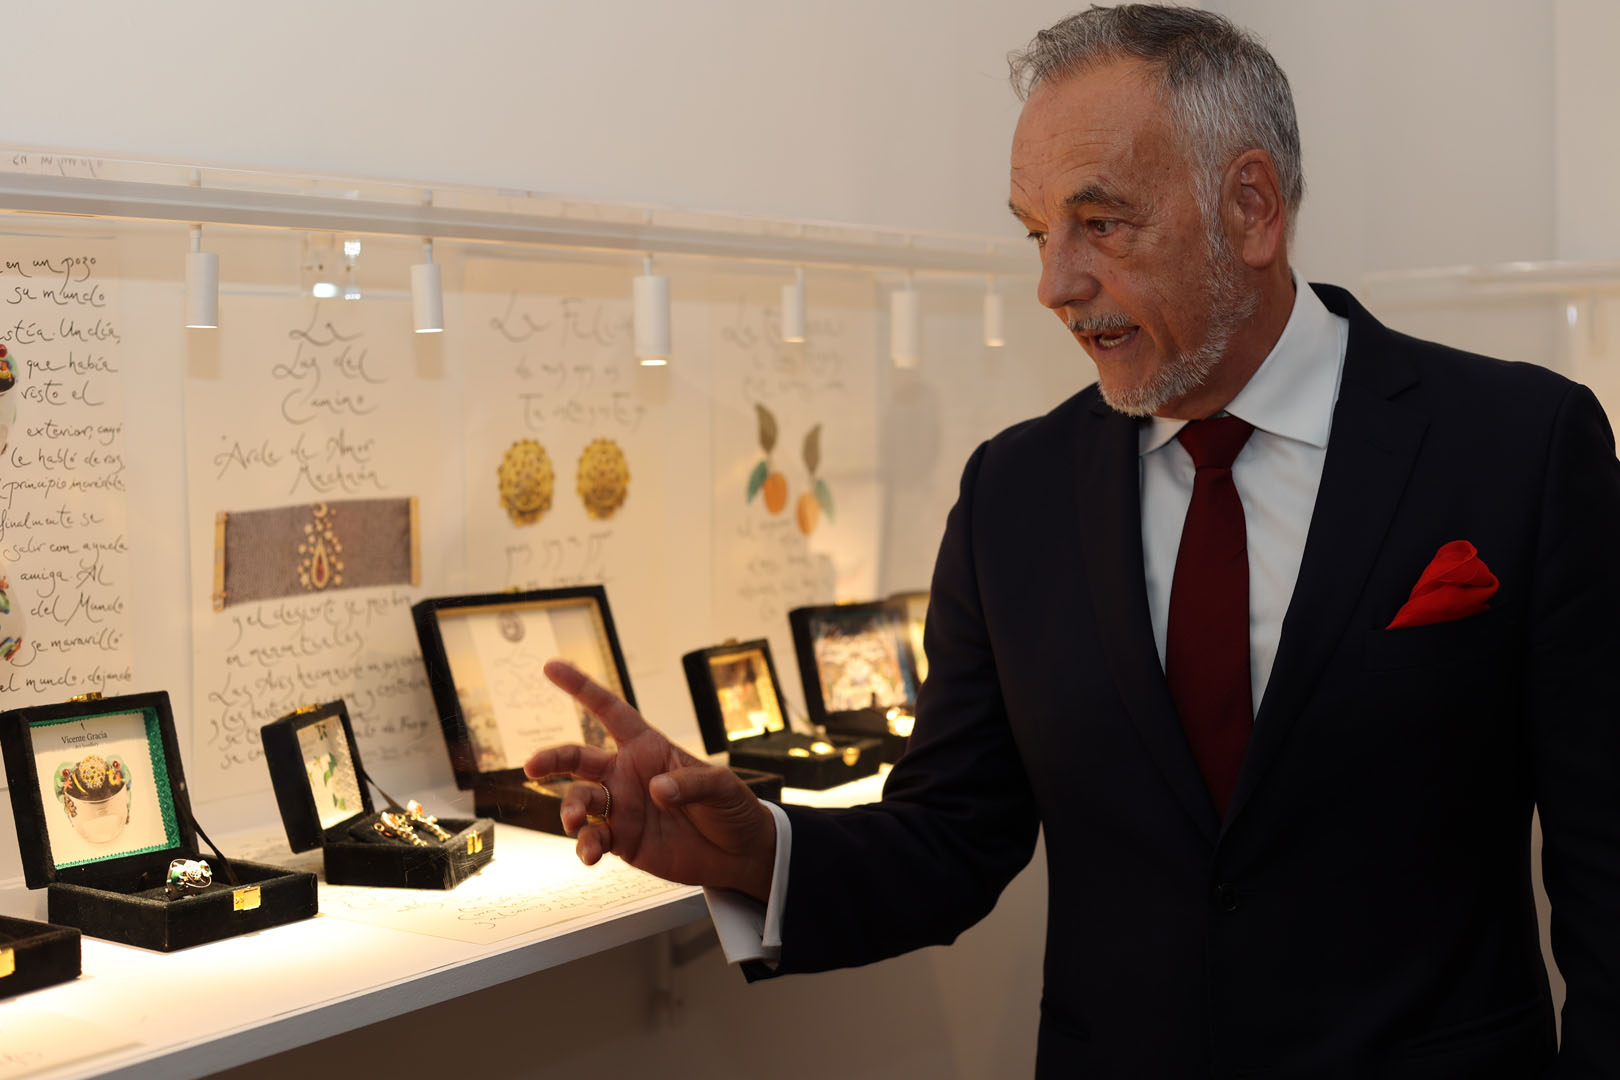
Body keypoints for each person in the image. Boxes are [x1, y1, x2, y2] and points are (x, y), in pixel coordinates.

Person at [526, 6, 1620, 1076]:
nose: (1056, 286)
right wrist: (756, 850)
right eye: (1037, 233)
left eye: (1100, 223)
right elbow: (951, 834)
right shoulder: (1014, 495)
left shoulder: (1519, 448)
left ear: (1250, 208)